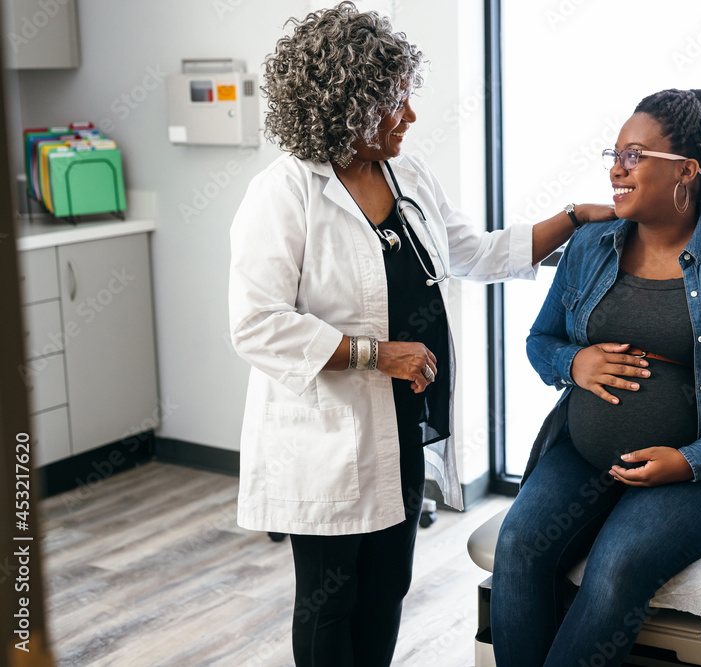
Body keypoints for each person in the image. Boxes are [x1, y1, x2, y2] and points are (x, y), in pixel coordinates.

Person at [227, 4, 613, 666]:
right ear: (349, 106)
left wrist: (574, 217)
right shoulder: (285, 194)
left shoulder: (407, 176)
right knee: (330, 596)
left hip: (404, 423)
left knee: (387, 587)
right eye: (395, 103)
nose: (409, 116)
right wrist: (375, 355)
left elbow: (480, 253)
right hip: (322, 438)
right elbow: (257, 323)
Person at [490, 88, 701, 667]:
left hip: (697, 473)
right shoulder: (588, 246)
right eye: (614, 153)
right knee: (520, 543)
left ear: (686, 171)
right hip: (584, 455)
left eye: (634, 155)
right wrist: (573, 364)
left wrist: (693, 459)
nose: (615, 168)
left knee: (620, 560)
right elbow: (541, 342)